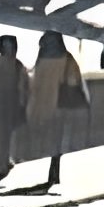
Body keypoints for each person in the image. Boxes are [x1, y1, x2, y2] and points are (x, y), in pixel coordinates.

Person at [26, 30, 90, 188]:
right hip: (60, 104)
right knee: (59, 138)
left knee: (50, 138)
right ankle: (55, 171)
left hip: (44, 105)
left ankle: (52, 172)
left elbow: (35, 83)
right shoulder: (66, 57)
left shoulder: (41, 57)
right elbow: (74, 80)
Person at [0, 34, 29, 187]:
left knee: (3, 135)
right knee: (7, 135)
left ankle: (3, 162)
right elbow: (24, 87)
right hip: (11, 103)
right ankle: (3, 164)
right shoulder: (18, 65)